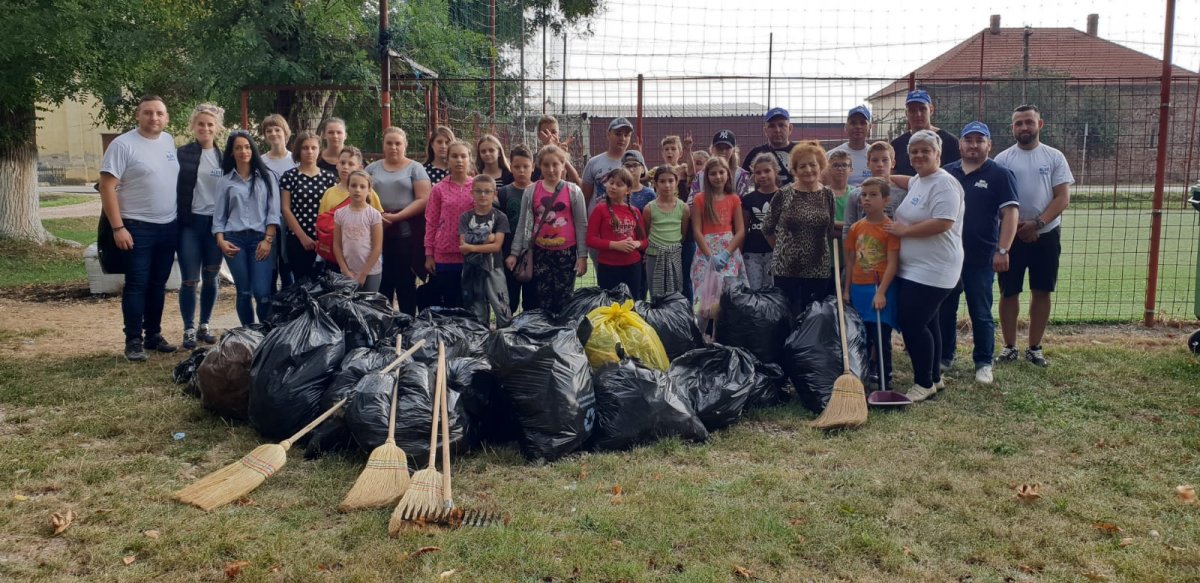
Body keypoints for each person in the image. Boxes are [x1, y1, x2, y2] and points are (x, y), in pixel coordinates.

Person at [100, 95, 181, 361]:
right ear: (138, 115)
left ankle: (153, 335)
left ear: (166, 117)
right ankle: (133, 340)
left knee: (158, 284)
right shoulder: (123, 145)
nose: (154, 118)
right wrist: (117, 228)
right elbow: (106, 187)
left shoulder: (168, 141)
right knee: (137, 285)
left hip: (168, 226)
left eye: (159, 113)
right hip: (135, 227)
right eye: (148, 113)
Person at [886, 130, 964, 403]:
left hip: (935, 269)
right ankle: (935, 377)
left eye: (925, 151)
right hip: (915, 267)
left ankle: (923, 383)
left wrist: (903, 231)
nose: (919, 156)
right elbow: (909, 182)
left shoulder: (945, 184)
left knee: (912, 323)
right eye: (914, 151)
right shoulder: (921, 180)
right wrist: (884, 177)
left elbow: (944, 222)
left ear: (938, 155)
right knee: (930, 322)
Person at [994, 105, 1074, 368]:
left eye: (1029, 122)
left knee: (1041, 290)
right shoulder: (1003, 160)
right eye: (1018, 124)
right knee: (1009, 292)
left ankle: (1034, 347)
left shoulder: (1054, 157)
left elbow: (1062, 197)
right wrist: (1016, 228)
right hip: (1012, 236)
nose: (1024, 128)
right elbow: (997, 199)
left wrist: (1038, 223)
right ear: (1012, 128)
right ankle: (1009, 347)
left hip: (1046, 235)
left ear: (1040, 124)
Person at [941, 122, 1020, 384]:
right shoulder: (947, 172)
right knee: (945, 309)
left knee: (981, 312)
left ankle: (983, 362)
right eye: (968, 140)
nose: (973, 145)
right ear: (960, 144)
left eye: (979, 140)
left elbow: (1010, 214)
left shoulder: (1000, 173)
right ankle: (945, 357)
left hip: (982, 257)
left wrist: (1003, 249)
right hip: (950, 255)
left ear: (989, 145)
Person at [506, 145, 589, 314]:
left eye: (555, 165)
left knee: (564, 299)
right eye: (546, 165)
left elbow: (581, 224)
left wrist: (582, 256)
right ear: (539, 166)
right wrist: (515, 253)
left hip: (566, 253)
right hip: (540, 253)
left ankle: (562, 335)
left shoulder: (573, 191)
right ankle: (546, 334)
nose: (551, 170)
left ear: (563, 165)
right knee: (542, 298)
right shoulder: (531, 191)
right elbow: (523, 223)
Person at [212, 131, 281, 327]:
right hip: (234, 240)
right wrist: (221, 241)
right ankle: (247, 334)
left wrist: (268, 241)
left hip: (261, 240)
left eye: (247, 147)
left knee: (262, 292)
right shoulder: (225, 181)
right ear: (232, 153)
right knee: (243, 292)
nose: (243, 151)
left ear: (253, 149)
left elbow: (273, 213)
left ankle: (265, 334)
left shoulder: (267, 178)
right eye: (238, 148)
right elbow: (219, 217)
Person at [762, 141, 836, 316]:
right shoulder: (783, 194)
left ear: (821, 166)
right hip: (787, 270)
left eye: (813, 164)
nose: (808, 170)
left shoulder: (828, 194)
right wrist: (781, 249)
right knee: (787, 317)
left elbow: (829, 229)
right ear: (794, 169)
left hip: (818, 269)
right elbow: (767, 228)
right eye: (802, 166)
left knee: (812, 318)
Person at [175, 103, 225, 350]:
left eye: (210, 124)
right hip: (190, 224)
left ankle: (205, 324)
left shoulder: (224, 158)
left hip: (215, 226)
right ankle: (188, 328)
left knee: (212, 276)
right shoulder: (181, 154)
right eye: (201, 124)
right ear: (193, 126)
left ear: (217, 129)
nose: (205, 128)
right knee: (189, 280)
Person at [367, 127, 431, 314]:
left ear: (405, 145)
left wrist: (396, 217)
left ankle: (407, 323)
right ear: (383, 145)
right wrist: (378, 217)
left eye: (398, 143)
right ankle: (383, 324)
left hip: (406, 233)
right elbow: (362, 194)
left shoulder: (415, 168)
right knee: (382, 280)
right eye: (389, 143)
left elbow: (423, 199)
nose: (393, 147)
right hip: (377, 230)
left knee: (405, 281)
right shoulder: (372, 168)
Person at [843, 177, 900, 388]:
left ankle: (886, 381)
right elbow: (850, 261)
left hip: (879, 290)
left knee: (881, 337)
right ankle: (863, 381)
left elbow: (893, 264)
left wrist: (882, 292)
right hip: (858, 289)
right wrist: (847, 289)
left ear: (886, 199)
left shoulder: (890, 229)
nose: (867, 199)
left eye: (873, 195)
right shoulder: (856, 228)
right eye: (864, 195)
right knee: (862, 338)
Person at [691, 157, 748, 333]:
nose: (717, 176)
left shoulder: (734, 199)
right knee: (705, 298)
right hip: (706, 252)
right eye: (713, 173)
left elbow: (740, 231)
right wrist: (710, 256)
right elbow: (697, 231)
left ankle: (722, 335)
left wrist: (726, 253)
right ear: (706, 176)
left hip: (728, 252)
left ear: (728, 174)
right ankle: (701, 336)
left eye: (721, 172)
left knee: (726, 297)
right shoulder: (700, 199)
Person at [279, 131, 338, 282]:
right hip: (298, 239)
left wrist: (322, 238)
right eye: (305, 148)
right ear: (298, 150)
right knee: (301, 284)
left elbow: (333, 210)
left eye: (313, 147)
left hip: (323, 239)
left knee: (323, 285)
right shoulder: (289, 176)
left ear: (319, 150)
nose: (309, 151)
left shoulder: (329, 177)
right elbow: (285, 208)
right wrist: (303, 237)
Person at [424, 141, 476, 308]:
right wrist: (429, 253)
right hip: (444, 254)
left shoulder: (478, 186)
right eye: (454, 156)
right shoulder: (439, 189)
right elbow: (431, 221)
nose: (459, 160)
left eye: (463, 156)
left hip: (471, 253)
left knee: (469, 301)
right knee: (449, 301)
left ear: (470, 159)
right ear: (447, 160)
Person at [459, 175, 512, 327]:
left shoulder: (500, 217)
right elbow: (463, 247)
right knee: (477, 309)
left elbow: (496, 246)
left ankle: (505, 341)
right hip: (472, 269)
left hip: (494, 267)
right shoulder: (465, 217)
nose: (483, 195)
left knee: (502, 307)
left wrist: (472, 245)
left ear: (494, 193)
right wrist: (488, 237)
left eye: (487, 191)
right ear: (472, 193)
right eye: (479, 191)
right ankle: (481, 344)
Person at [588, 168, 647, 297]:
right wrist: (615, 245)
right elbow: (590, 239)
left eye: (619, 185)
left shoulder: (635, 211)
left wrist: (637, 244)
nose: (613, 187)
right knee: (610, 307)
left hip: (633, 266)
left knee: (631, 304)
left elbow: (644, 241)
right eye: (611, 182)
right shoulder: (600, 209)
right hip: (608, 267)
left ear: (628, 190)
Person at [842, 141, 909, 236]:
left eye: (885, 160)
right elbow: (848, 228)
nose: (880, 164)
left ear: (893, 163)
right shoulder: (855, 194)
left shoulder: (903, 194)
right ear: (868, 164)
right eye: (875, 160)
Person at [643, 165, 690, 298]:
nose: (667, 185)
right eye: (662, 181)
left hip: (674, 256)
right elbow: (645, 233)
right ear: (655, 184)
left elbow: (683, 233)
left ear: (676, 182)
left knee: (674, 293)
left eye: (670, 181)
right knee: (656, 294)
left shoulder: (683, 208)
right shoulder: (649, 209)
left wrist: (671, 248)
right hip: (654, 255)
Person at [333, 170, 384, 292]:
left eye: (362, 186)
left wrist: (363, 274)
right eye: (354, 185)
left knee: (369, 307)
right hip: (348, 272)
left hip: (371, 272)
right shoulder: (340, 214)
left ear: (369, 190)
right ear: (348, 187)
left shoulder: (374, 215)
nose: (357, 190)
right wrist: (345, 270)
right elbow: (337, 245)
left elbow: (377, 248)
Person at [498, 145, 535, 312]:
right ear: (510, 167)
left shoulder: (539, 190)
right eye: (517, 166)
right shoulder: (504, 192)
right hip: (509, 251)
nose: (521, 170)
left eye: (525, 166)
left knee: (532, 299)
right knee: (509, 299)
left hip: (534, 252)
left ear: (532, 167)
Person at [890, 90, 961, 176]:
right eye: (912, 110)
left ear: (931, 110)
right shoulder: (896, 145)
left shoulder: (950, 142)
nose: (918, 114)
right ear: (906, 113)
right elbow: (891, 176)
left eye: (922, 109)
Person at [741, 153, 779, 290]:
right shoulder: (748, 199)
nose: (762, 175)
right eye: (758, 173)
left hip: (774, 253)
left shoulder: (784, 196)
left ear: (775, 171)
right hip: (752, 253)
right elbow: (743, 230)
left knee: (772, 292)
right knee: (754, 291)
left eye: (767, 171)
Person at [582, 117, 633, 209]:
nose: (622, 138)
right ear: (608, 134)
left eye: (626, 135)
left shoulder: (635, 164)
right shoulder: (593, 163)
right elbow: (585, 198)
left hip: (625, 219)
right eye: (618, 134)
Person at [318, 146, 384, 214]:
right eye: (342, 163)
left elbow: (378, 218)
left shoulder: (368, 193)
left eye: (351, 164)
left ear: (360, 168)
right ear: (337, 165)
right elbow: (322, 221)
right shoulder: (328, 194)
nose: (345, 167)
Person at [741, 107, 797, 186]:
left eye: (781, 125)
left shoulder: (800, 152)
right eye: (772, 126)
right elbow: (743, 184)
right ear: (765, 131)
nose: (777, 130)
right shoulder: (755, 154)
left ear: (790, 128)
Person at [690, 130, 751, 197]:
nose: (723, 151)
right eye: (719, 147)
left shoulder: (742, 175)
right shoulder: (700, 175)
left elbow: (744, 203)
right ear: (712, 149)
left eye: (727, 148)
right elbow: (691, 202)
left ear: (733, 150)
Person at [828, 105, 874, 187]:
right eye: (853, 123)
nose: (858, 126)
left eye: (862, 123)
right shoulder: (831, 156)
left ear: (870, 127)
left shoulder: (876, 156)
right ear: (845, 127)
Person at [532, 114, 582, 185]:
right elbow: (535, 183)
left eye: (553, 132)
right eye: (545, 132)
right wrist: (548, 149)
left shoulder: (565, 155)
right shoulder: (534, 158)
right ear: (539, 136)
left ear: (559, 134)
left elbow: (577, 182)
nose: (550, 136)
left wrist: (560, 154)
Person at [827, 149, 857, 234]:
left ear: (851, 169)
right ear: (829, 169)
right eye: (835, 165)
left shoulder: (856, 193)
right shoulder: (822, 193)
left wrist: (833, 223)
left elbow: (859, 222)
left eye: (844, 165)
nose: (840, 169)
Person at [260, 114, 297, 179]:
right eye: (269, 131)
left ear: (285, 133)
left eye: (277, 130)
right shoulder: (261, 161)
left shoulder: (295, 160)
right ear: (265, 136)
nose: (273, 133)